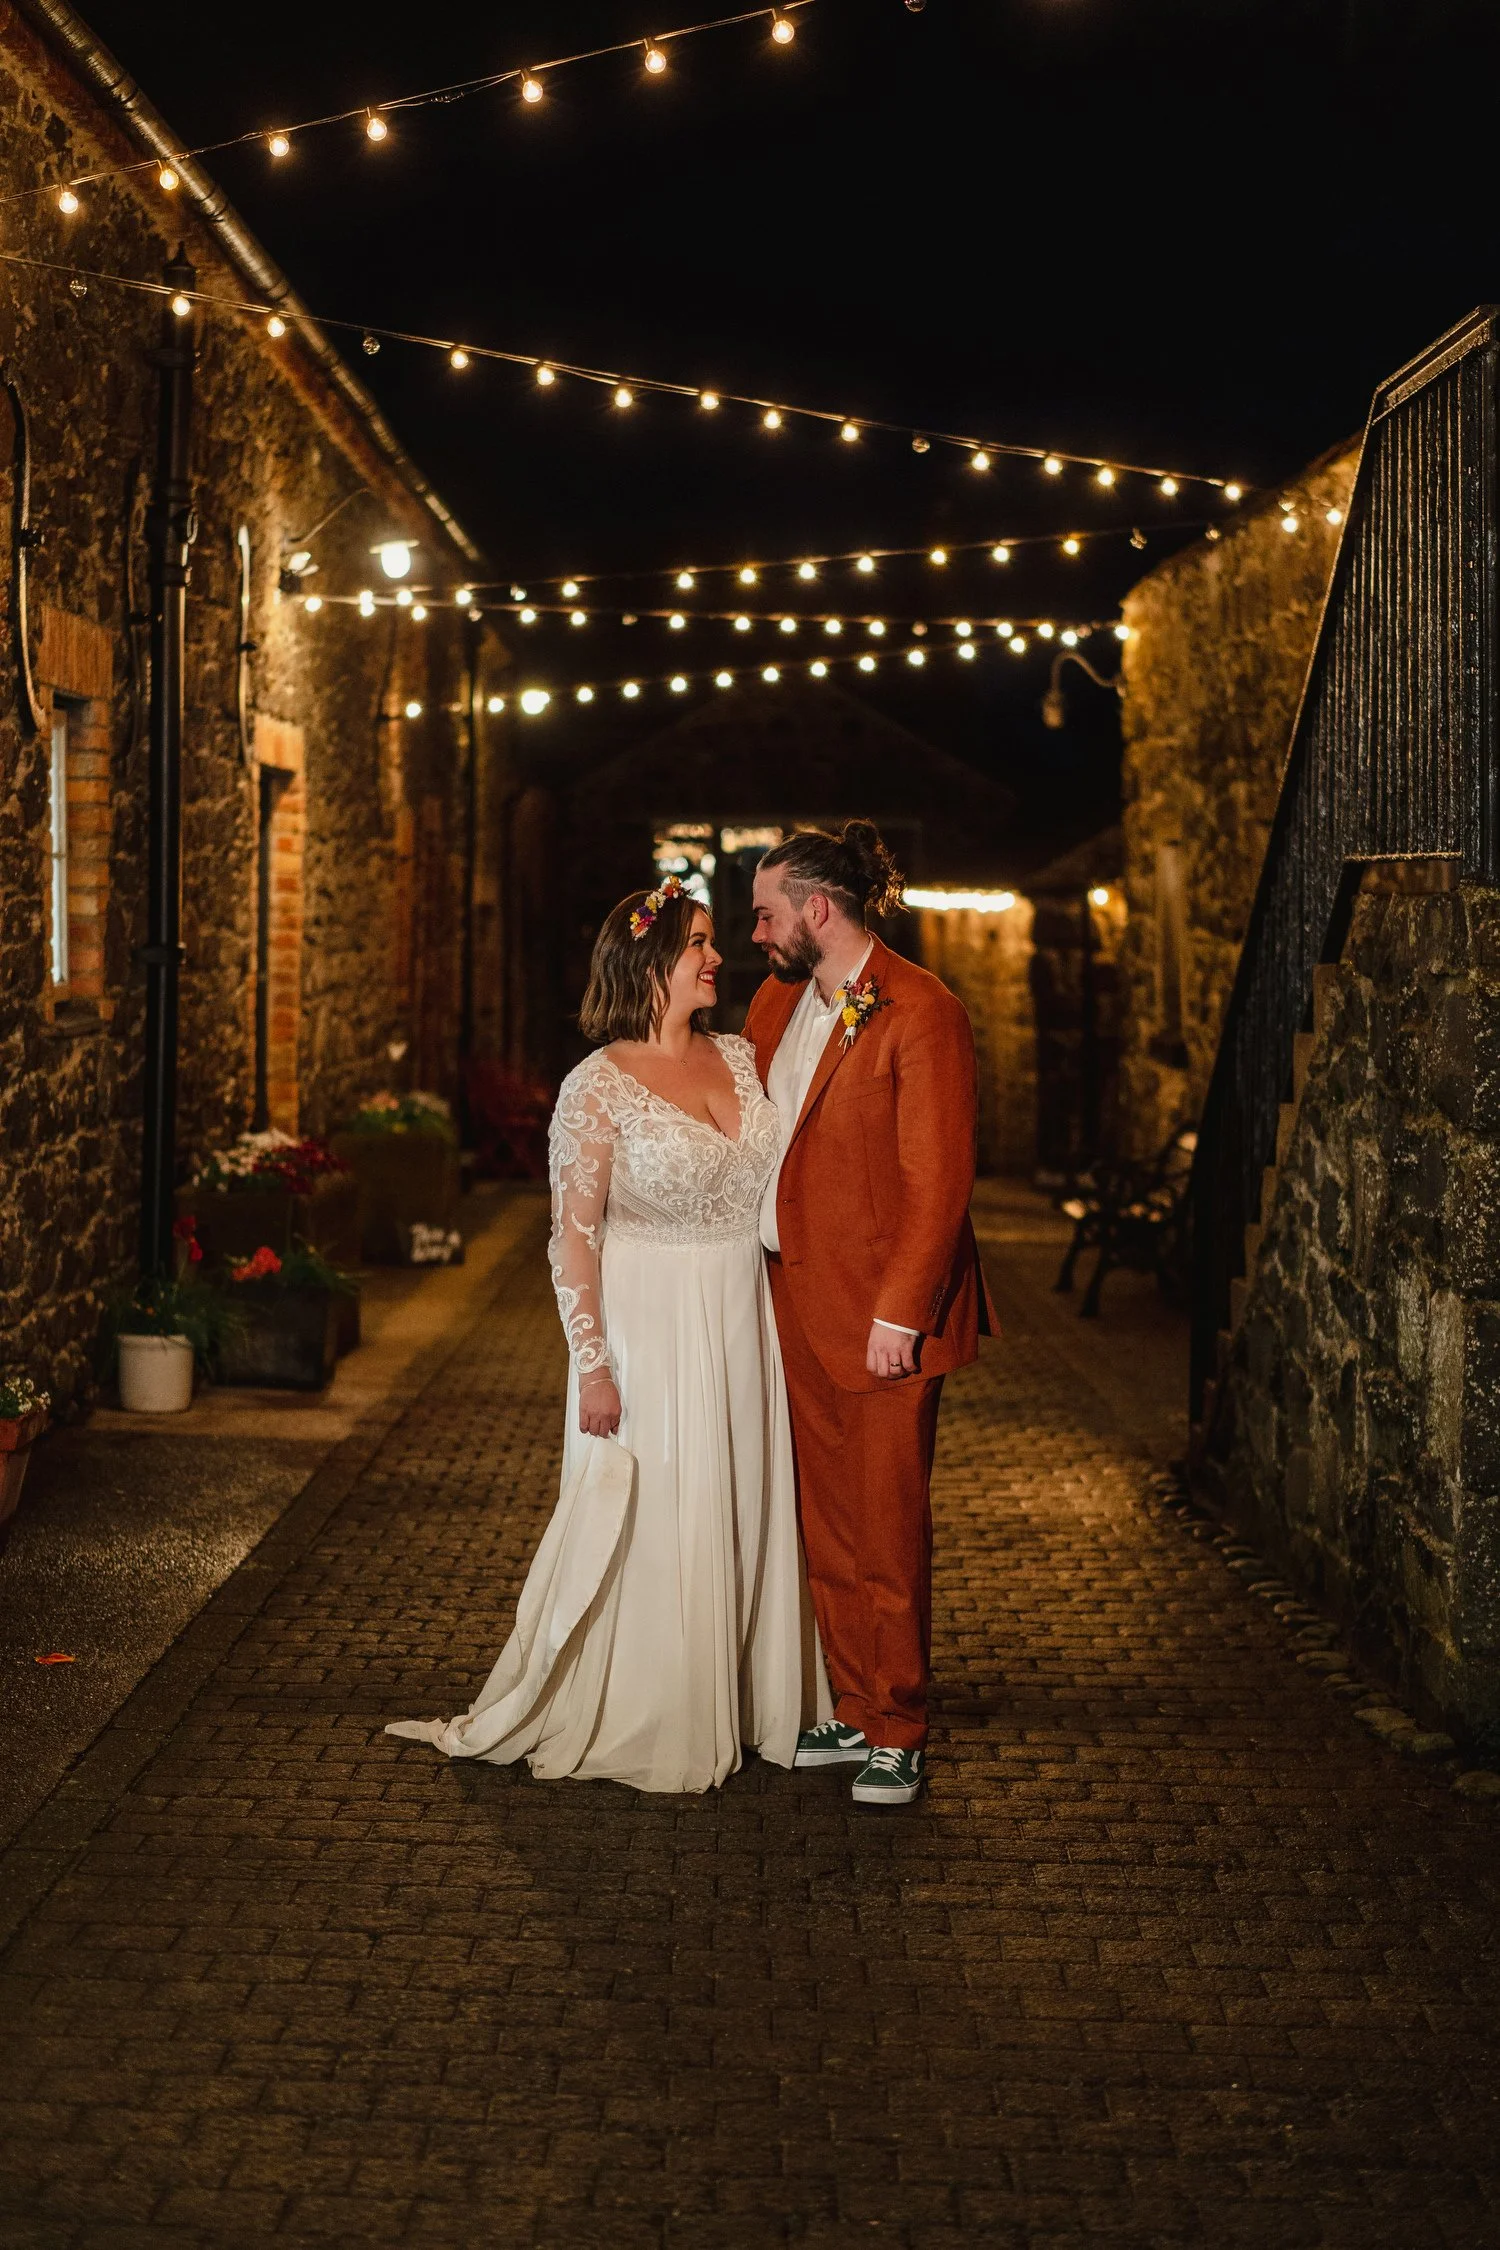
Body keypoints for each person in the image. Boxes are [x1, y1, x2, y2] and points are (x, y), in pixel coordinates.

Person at [389, 876, 830, 1792]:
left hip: (744, 1316)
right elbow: (572, 1238)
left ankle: (752, 1695)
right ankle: (658, 1701)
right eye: (699, 944)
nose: (717, 958)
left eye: (713, 941)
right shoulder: (597, 1086)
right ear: (649, 962)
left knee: (742, 1491)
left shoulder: (742, 1060)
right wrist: (594, 1368)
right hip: (649, 1324)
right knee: (663, 1506)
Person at [745, 820, 994, 1807]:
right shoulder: (771, 1004)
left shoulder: (921, 1010)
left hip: (882, 1320)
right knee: (825, 1520)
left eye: (766, 912)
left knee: (887, 1525)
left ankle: (900, 1725)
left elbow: (938, 1179)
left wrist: (903, 1315)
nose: (755, 930)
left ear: (817, 909)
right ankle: (852, 1707)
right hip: (787, 1300)